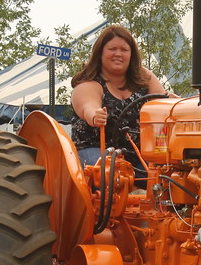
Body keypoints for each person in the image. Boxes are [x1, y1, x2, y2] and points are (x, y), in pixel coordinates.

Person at [70, 25, 170, 171]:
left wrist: (175, 104)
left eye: (124, 50)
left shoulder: (144, 77)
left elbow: (164, 104)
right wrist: (94, 115)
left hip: (139, 153)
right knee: (108, 172)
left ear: (131, 54)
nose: (118, 54)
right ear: (100, 53)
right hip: (96, 149)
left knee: (169, 171)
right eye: (112, 49)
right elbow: (88, 106)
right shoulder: (89, 83)